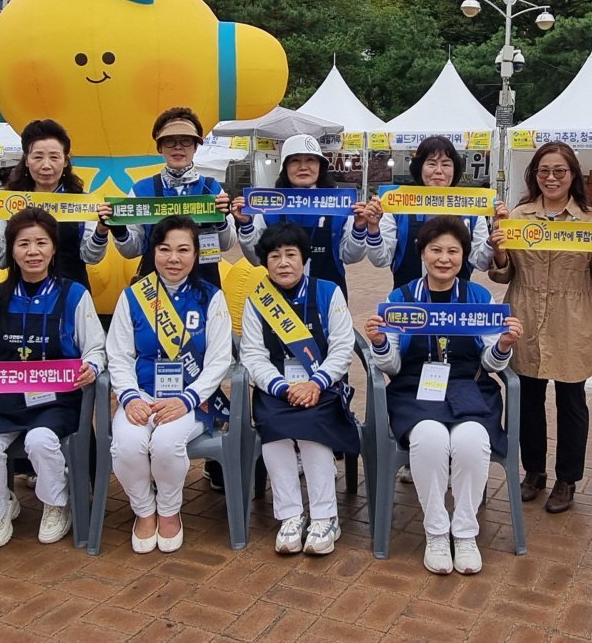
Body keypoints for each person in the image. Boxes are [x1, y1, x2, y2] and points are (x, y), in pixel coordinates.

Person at [366, 215, 523, 576]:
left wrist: (502, 344)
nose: (444, 258)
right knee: (430, 438)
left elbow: (492, 363)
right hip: (414, 388)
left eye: (454, 251)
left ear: (464, 256)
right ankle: (436, 531)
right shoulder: (401, 298)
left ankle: (465, 533)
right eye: (436, 249)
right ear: (422, 253)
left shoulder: (478, 296)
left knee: (472, 439)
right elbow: (390, 366)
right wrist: (378, 342)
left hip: (469, 386)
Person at [0, 208, 105, 548]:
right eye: (23, 244)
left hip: (56, 400)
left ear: (53, 249)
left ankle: (56, 505)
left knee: (40, 440)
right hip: (5, 401)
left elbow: (95, 349)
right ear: (11, 251)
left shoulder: (74, 294)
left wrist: (90, 366)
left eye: (41, 243)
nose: (33, 252)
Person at [487, 141, 592, 514]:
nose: (551, 178)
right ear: (534, 176)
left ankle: (567, 479)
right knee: (528, 400)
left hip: (574, 319)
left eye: (559, 171)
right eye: (544, 171)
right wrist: (499, 250)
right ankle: (533, 472)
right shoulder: (517, 217)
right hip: (525, 313)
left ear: (572, 176)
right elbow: (502, 272)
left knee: (571, 402)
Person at [106, 216, 232, 554]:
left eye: (183, 250)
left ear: (196, 254)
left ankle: (169, 510)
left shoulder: (211, 298)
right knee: (127, 444)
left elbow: (220, 359)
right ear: (153, 250)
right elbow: (118, 355)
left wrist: (188, 399)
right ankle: (144, 510)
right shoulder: (134, 296)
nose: (173, 259)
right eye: (164, 249)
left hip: (191, 398)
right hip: (142, 395)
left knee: (165, 443)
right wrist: (130, 397)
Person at [239, 222, 359, 556]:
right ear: (265, 262)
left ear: (304, 258)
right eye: (274, 256)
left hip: (322, 388)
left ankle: (325, 517)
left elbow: (342, 347)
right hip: (276, 390)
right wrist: (279, 386)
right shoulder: (258, 300)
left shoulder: (327, 291)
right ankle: (290, 515)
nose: (283, 262)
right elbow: (252, 354)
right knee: (274, 433)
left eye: (291, 254)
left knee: (311, 432)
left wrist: (315, 382)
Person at [104, 107, 234, 288]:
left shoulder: (211, 188)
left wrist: (222, 220)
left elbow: (227, 244)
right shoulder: (142, 190)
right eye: (170, 141)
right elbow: (132, 250)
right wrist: (118, 230)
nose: (178, 147)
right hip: (154, 291)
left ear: (196, 146)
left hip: (204, 288)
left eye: (186, 141)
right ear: (159, 147)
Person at [231, 133, 369, 298]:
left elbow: (351, 256)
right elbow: (255, 259)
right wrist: (246, 225)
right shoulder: (269, 206)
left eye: (310, 160)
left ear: (320, 166)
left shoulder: (339, 205)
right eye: (295, 160)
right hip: (279, 302)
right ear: (285, 167)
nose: (303, 167)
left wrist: (359, 228)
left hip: (329, 299)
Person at [0, 119, 109, 289]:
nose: (46, 165)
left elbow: (91, 257)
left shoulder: (82, 202)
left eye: (54, 157)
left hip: (71, 295)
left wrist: (101, 232)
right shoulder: (8, 201)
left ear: (65, 161)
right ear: (26, 160)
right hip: (20, 294)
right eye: (38, 157)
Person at [363, 136, 502, 288]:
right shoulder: (397, 205)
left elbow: (481, 263)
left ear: (455, 169)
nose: (438, 171)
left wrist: (493, 238)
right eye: (431, 164)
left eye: (446, 164)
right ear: (419, 168)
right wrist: (373, 227)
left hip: (457, 305)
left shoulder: (473, 208)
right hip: (407, 303)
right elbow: (381, 259)